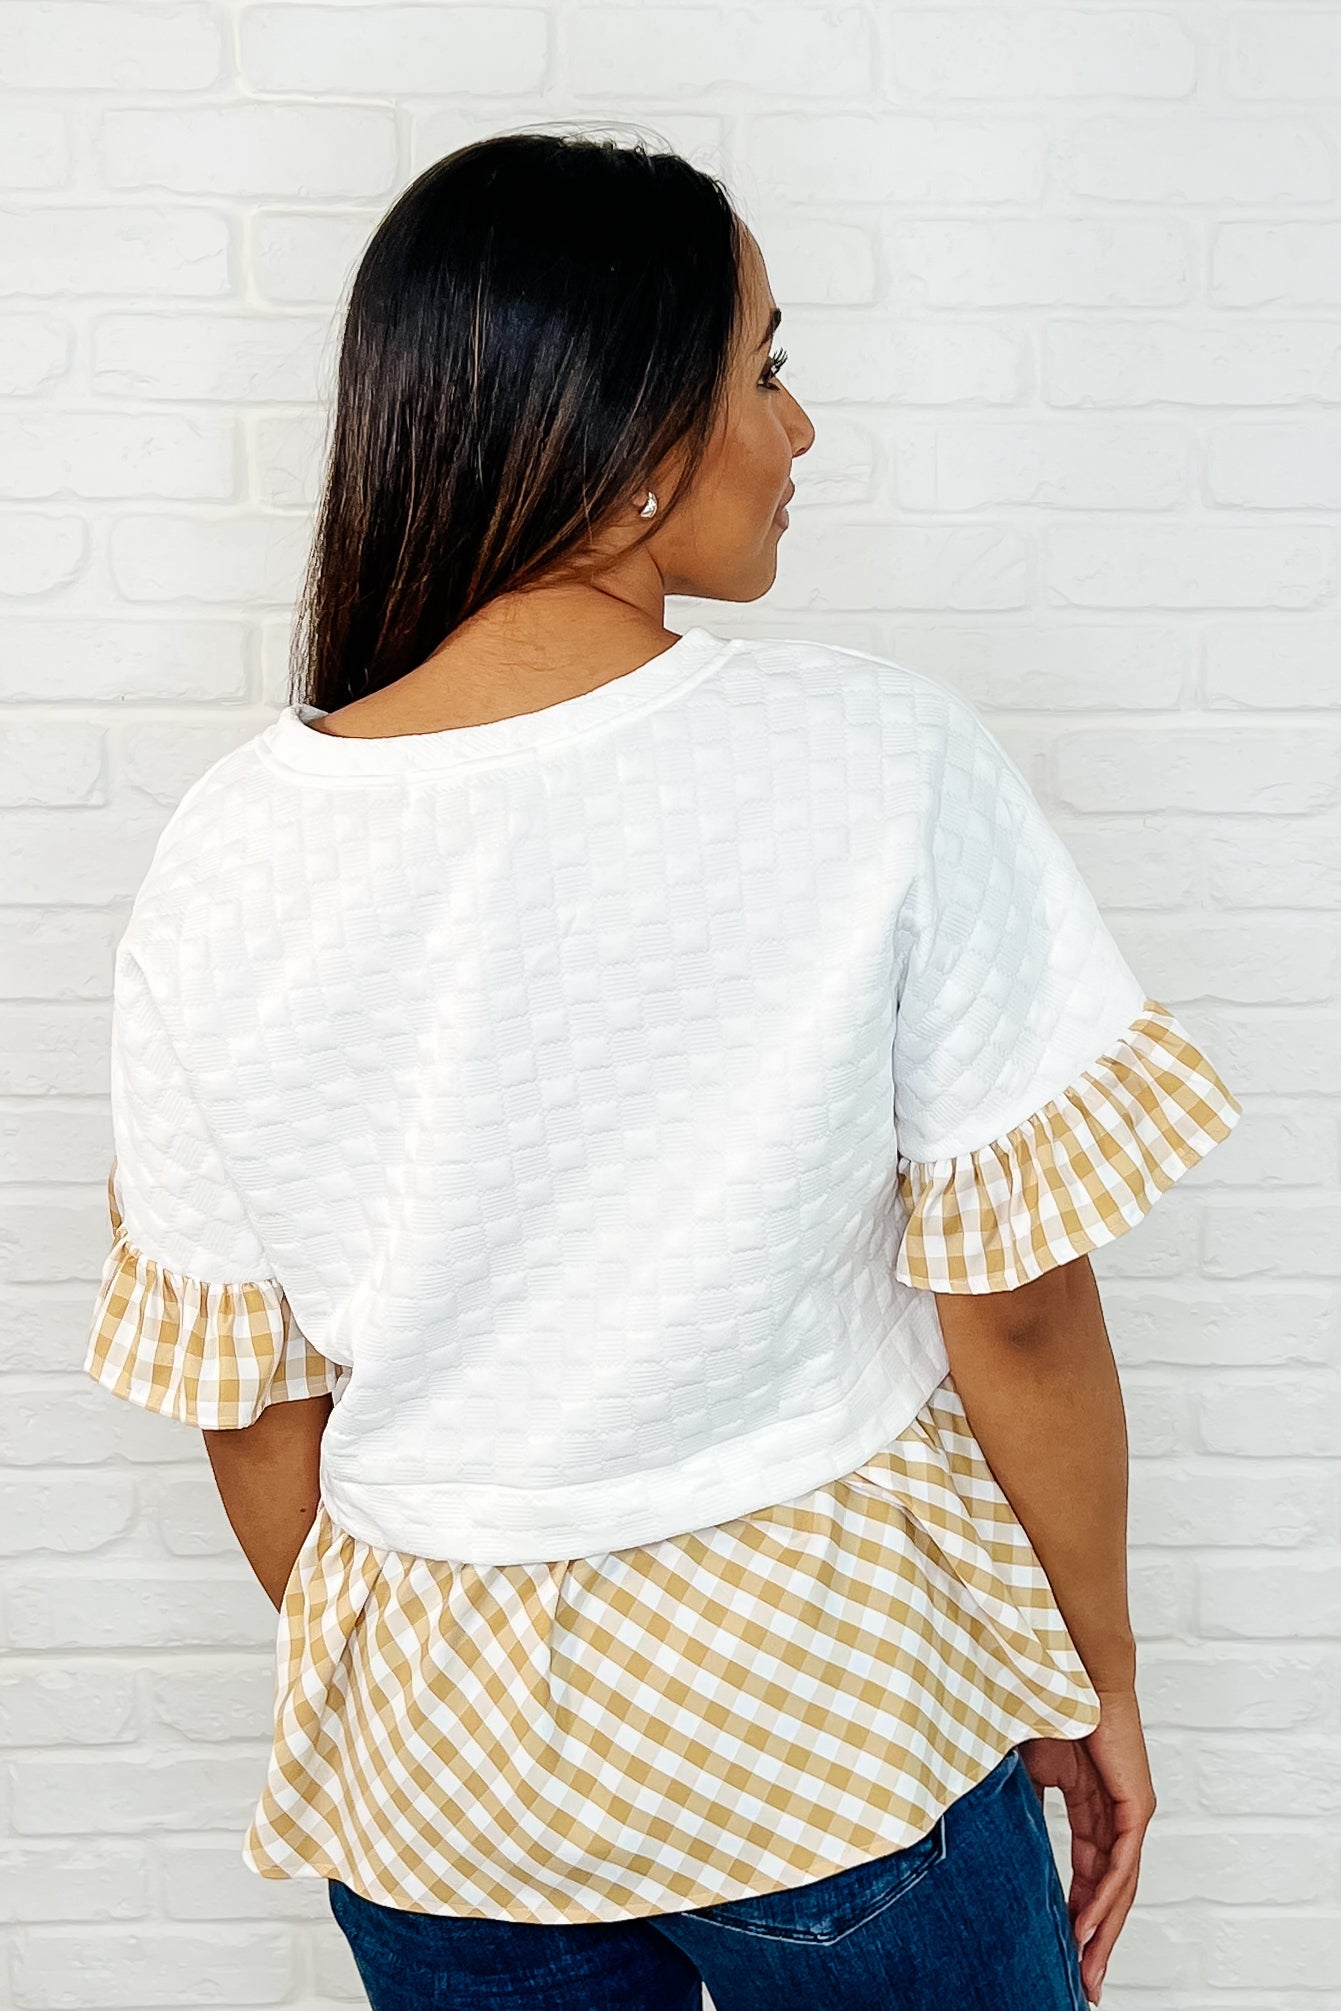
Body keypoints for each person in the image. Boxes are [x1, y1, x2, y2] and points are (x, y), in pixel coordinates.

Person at [84, 131, 1242, 2011]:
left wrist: (465, 1690)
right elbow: (1017, 1311)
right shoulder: (873, 760)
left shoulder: (223, 849)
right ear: (625, 434)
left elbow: (252, 1416)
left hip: (438, 1774)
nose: (797, 431)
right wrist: (1090, 1670)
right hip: (826, 1713)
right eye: (763, 370)